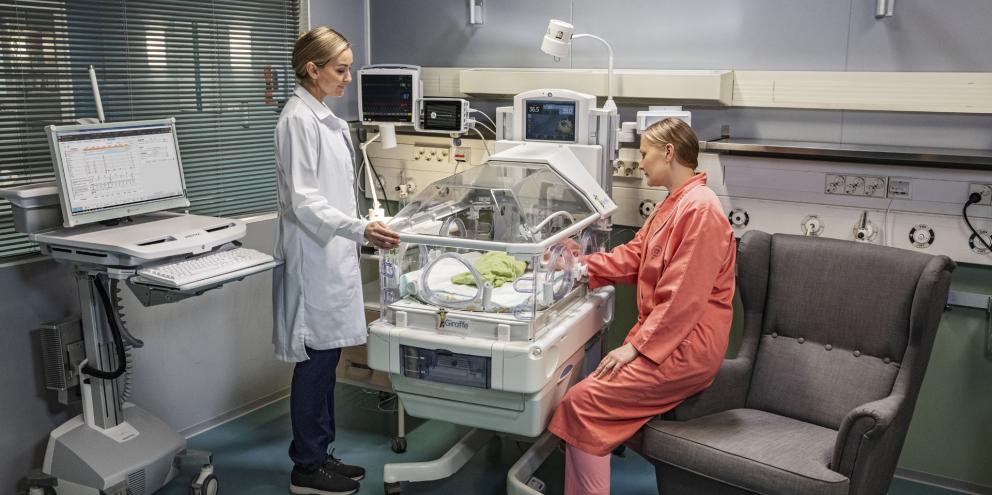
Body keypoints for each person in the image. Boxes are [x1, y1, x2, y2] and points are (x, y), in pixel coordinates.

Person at [547, 118, 737, 495]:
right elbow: (635, 256)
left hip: (683, 346)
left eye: (645, 153)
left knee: (583, 403)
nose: (640, 163)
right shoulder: (674, 203)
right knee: (584, 398)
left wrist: (635, 346)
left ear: (669, 152)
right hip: (664, 336)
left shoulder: (700, 210)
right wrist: (581, 265)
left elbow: (684, 297)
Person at [273, 26, 400, 495]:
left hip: (331, 252)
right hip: (311, 258)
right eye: (341, 69)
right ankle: (305, 468)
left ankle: (321, 454)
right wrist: (358, 228)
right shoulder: (297, 121)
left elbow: (334, 194)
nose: (348, 78)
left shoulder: (325, 117)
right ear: (314, 69)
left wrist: (362, 221)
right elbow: (306, 202)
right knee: (315, 363)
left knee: (326, 364)